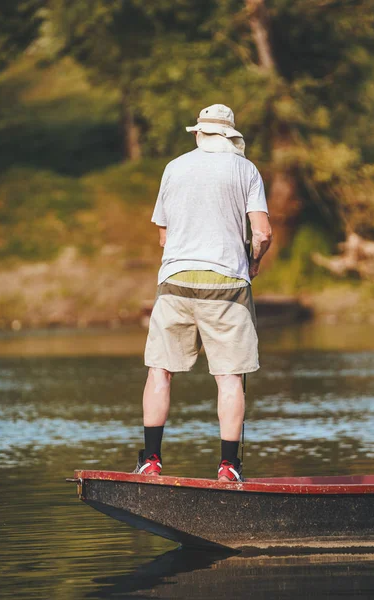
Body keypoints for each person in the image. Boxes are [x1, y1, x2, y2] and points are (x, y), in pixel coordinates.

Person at [134, 104, 272, 481]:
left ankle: (150, 460)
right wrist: (253, 264)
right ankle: (229, 466)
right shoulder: (246, 170)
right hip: (227, 286)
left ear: (197, 134)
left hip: (175, 283)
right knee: (229, 377)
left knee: (159, 371)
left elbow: (163, 235)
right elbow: (261, 233)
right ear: (230, 137)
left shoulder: (174, 168)